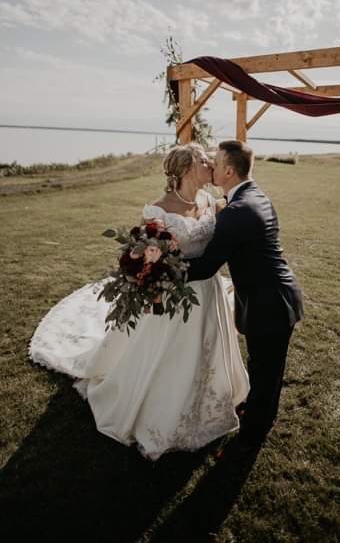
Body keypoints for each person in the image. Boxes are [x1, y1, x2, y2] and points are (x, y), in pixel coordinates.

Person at [29, 143, 249, 461]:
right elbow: (145, 257)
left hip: (207, 291)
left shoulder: (210, 202)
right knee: (170, 356)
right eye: (205, 160)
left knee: (208, 348)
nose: (211, 164)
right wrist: (151, 274)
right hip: (174, 295)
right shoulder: (159, 211)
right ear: (188, 168)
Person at [187, 140, 303, 456]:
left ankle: (249, 441)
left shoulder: (238, 211)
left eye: (215, 160)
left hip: (271, 304)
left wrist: (162, 270)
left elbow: (207, 266)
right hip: (273, 298)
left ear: (228, 170)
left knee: (266, 373)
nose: (210, 164)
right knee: (266, 368)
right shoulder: (255, 196)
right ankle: (257, 414)